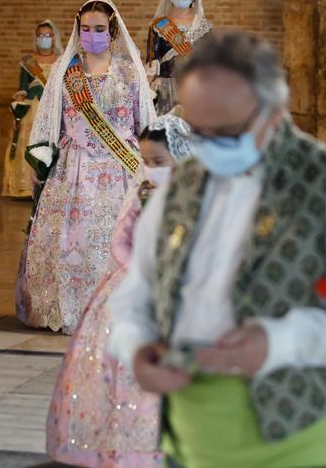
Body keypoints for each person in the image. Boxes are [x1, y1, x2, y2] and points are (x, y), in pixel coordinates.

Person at [107, 30, 326, 468]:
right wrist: (137, 346)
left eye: (227, 130)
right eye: (199, 130)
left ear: (275, 111)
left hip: (297, 444)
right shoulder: (181, 187)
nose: (211, 146)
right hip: (188, 444)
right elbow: (138, 293)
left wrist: (278, 342)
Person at [46, 112, 192, 467]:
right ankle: (125, 438)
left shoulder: (195, 198)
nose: (150, 168)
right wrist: (136, 269)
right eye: (145, 161)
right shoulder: (143, 193)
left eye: (158, 161)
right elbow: (120, 239)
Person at [15, 0, 154, 334]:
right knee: (71, 241)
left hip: (120, 170)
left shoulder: (129, 74)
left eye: (100, 28)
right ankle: (70, 306)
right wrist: (40, 160)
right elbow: (49, 120)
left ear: (113, 32)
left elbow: (145, 124)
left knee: (118, 240)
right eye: (86, 28)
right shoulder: (66, 74)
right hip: (74, 169)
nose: (92, 34)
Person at [1, 20, 62, 198]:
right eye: (41, 35)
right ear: (36, 39)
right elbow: (22, 88)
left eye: (48, 35)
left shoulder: (61, 60)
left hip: (53, 109)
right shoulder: (28, 62)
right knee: (29, 144)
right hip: (33, 109)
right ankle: (25, 187)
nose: (44, 39)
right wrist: (17, 109)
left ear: (54, 38)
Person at [145, 0, 211, 115]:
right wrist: (143, 92)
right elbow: (152, 66)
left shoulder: (204, 27)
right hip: (166, 94)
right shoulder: (158, 25)